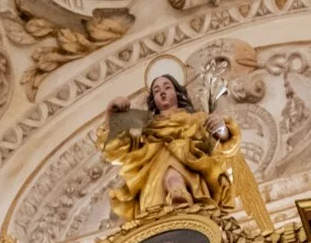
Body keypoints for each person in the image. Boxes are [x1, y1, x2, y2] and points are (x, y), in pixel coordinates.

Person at [101, 73, 240, 226]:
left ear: (177, 92)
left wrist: (221, 128)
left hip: (190, 171)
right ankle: (176, 191)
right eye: (156, 90)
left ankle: (178, 189)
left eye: (167, 87)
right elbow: (116, 151)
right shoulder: (146, 130)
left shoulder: (197, 118)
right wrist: (112, 114)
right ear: (153, 99)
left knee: (172, 155)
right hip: (154, 183)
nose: (162, 92)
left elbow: (220, 146)